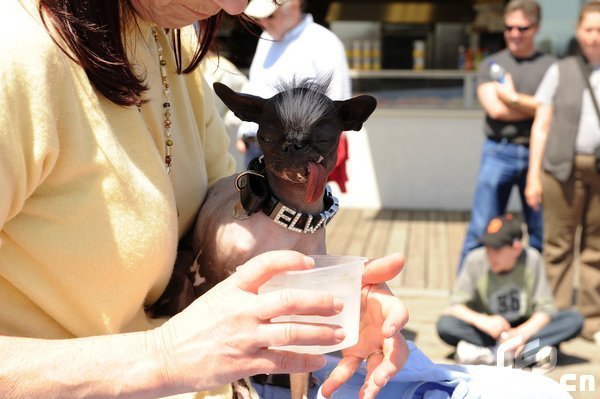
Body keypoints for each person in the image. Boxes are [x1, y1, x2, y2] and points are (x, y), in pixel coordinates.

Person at [0, 1, 411, 397]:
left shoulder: (174, 41)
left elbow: (232, 217)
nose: (235, 8)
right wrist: (161, 357)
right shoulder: (15, 55)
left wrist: (322, 294)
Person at [458, 0, 555, 271]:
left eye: (522, 28)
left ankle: (536, 295)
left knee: (540, 229)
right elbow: (496, 110)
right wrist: (538, 106)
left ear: (536, 28)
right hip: (498, 152)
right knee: (482, 225)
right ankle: (464, 295)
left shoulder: (551, 67)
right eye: (509, 27)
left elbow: (553, 110)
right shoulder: (492, 64)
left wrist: (512, 97)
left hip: (539, 155)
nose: (514, 33)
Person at [525, 0, 600, 345]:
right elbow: (541, 125)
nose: (595, 36)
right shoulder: (561, 69)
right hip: (561, 168)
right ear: (578, 30)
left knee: (596, 248)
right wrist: (533, 176)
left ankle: (590, 320)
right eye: (589, 29)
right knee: (558, 246)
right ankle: (553, 318)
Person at [438, 214, 583, 366]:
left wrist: (521, 334)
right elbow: (454, 306)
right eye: (487, 247)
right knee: (445, 325)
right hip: (489, 329)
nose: (489, 254)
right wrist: (483, 321)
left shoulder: (532, 259)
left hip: (523, 326)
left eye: (496, 249)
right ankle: (523, 354)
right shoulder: (475, 260)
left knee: (573, 320)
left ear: (516, 248)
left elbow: (546, 310)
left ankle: (492, 353)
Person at [236, 0, 351, 170]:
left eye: (270, 16)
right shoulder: (266, 39)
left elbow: (337, 107)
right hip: (258, 145)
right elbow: (256, 84)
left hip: (299, 151)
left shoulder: (324, 42)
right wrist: (245, 131)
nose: (262, 22)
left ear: (295, 4)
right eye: (258, 18)